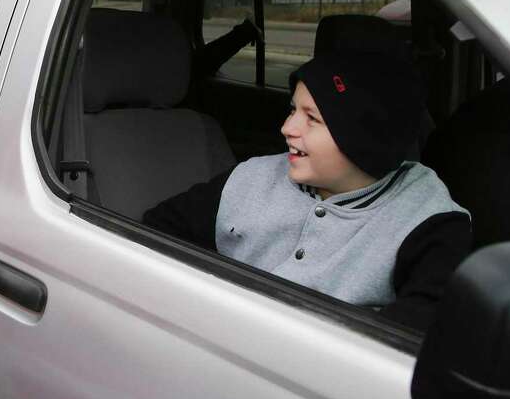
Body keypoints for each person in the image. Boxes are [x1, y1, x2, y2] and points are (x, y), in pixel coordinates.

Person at [142, 50, 471, 331]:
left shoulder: (430, 222)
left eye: (312, 119)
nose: (287, 128)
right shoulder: (251, 177)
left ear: (364, 139)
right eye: (292, 109)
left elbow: (417, 337)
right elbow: (153, 236)